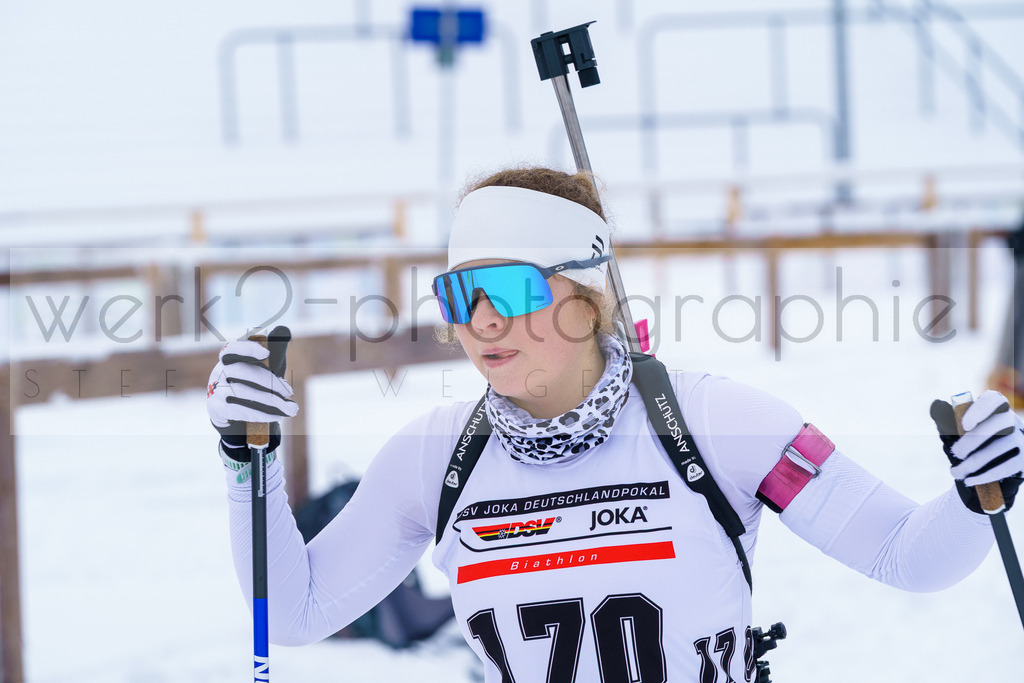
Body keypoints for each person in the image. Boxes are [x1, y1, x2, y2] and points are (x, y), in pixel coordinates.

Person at [206, 167, 1024, 682]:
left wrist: (977, 488)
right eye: (460, 295)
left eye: (512, 290)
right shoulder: (435, 457)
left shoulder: (709, 419)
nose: (482, 320)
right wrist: (250, 462)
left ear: (586, 296)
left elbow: (905, 556)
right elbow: (293, 613)